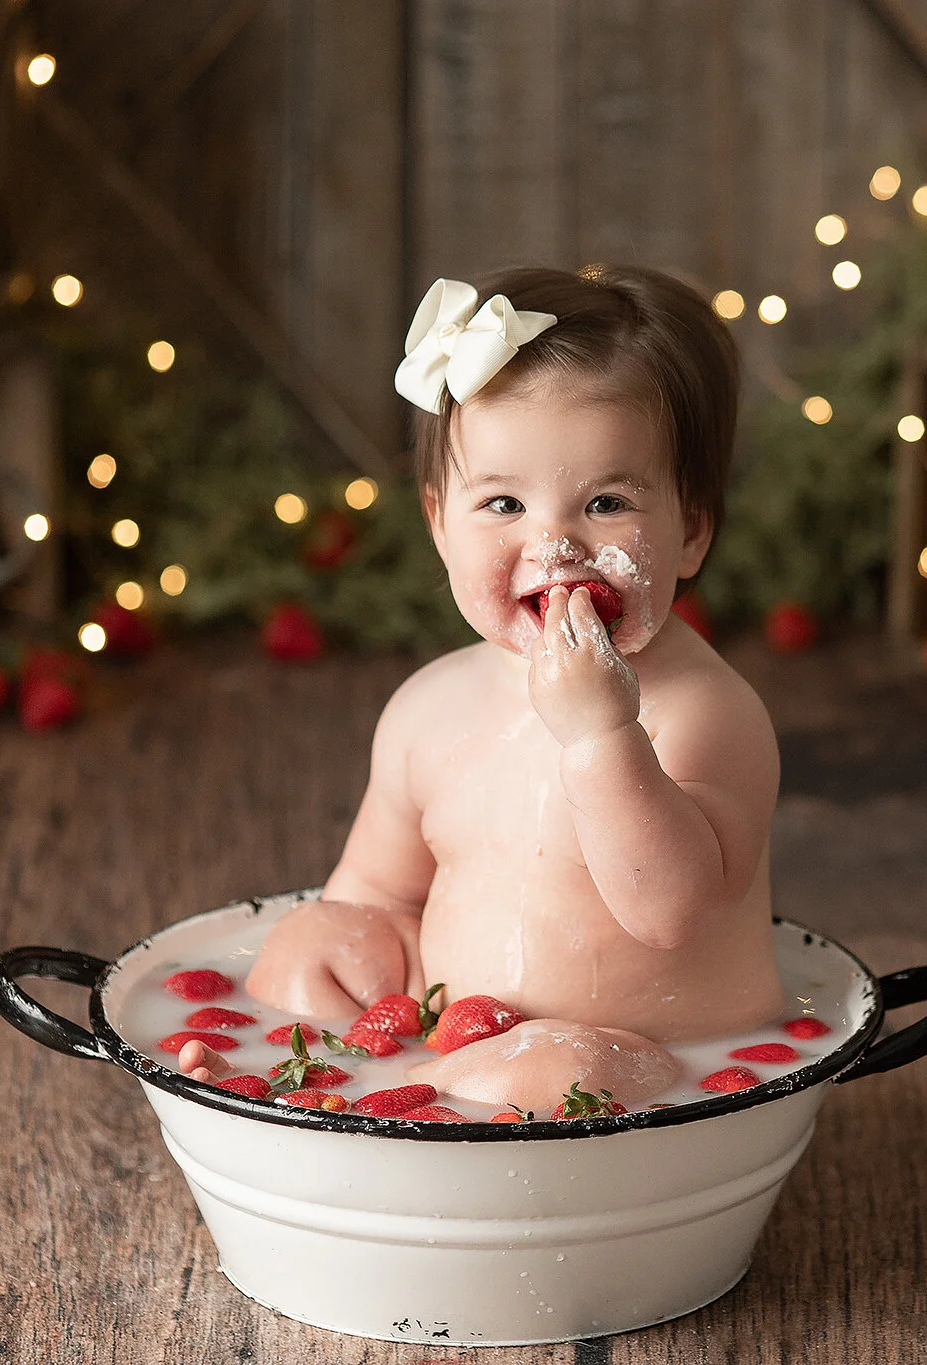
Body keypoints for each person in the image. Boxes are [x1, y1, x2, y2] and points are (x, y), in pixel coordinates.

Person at [182, 265, 783, 1114]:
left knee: (551, 1069)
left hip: (652, 1072)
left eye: (606, 502)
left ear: (689, 530)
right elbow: (379, 894)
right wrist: (345, 961)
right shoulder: (428, 711)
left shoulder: (703, 714)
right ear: (438, 523)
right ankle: (355, 1097)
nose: (555, 543)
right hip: (449, 1030)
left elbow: (670, 910)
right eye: (503, 504)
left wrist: (602, 736)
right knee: (304, 940)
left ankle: (400, 1100)